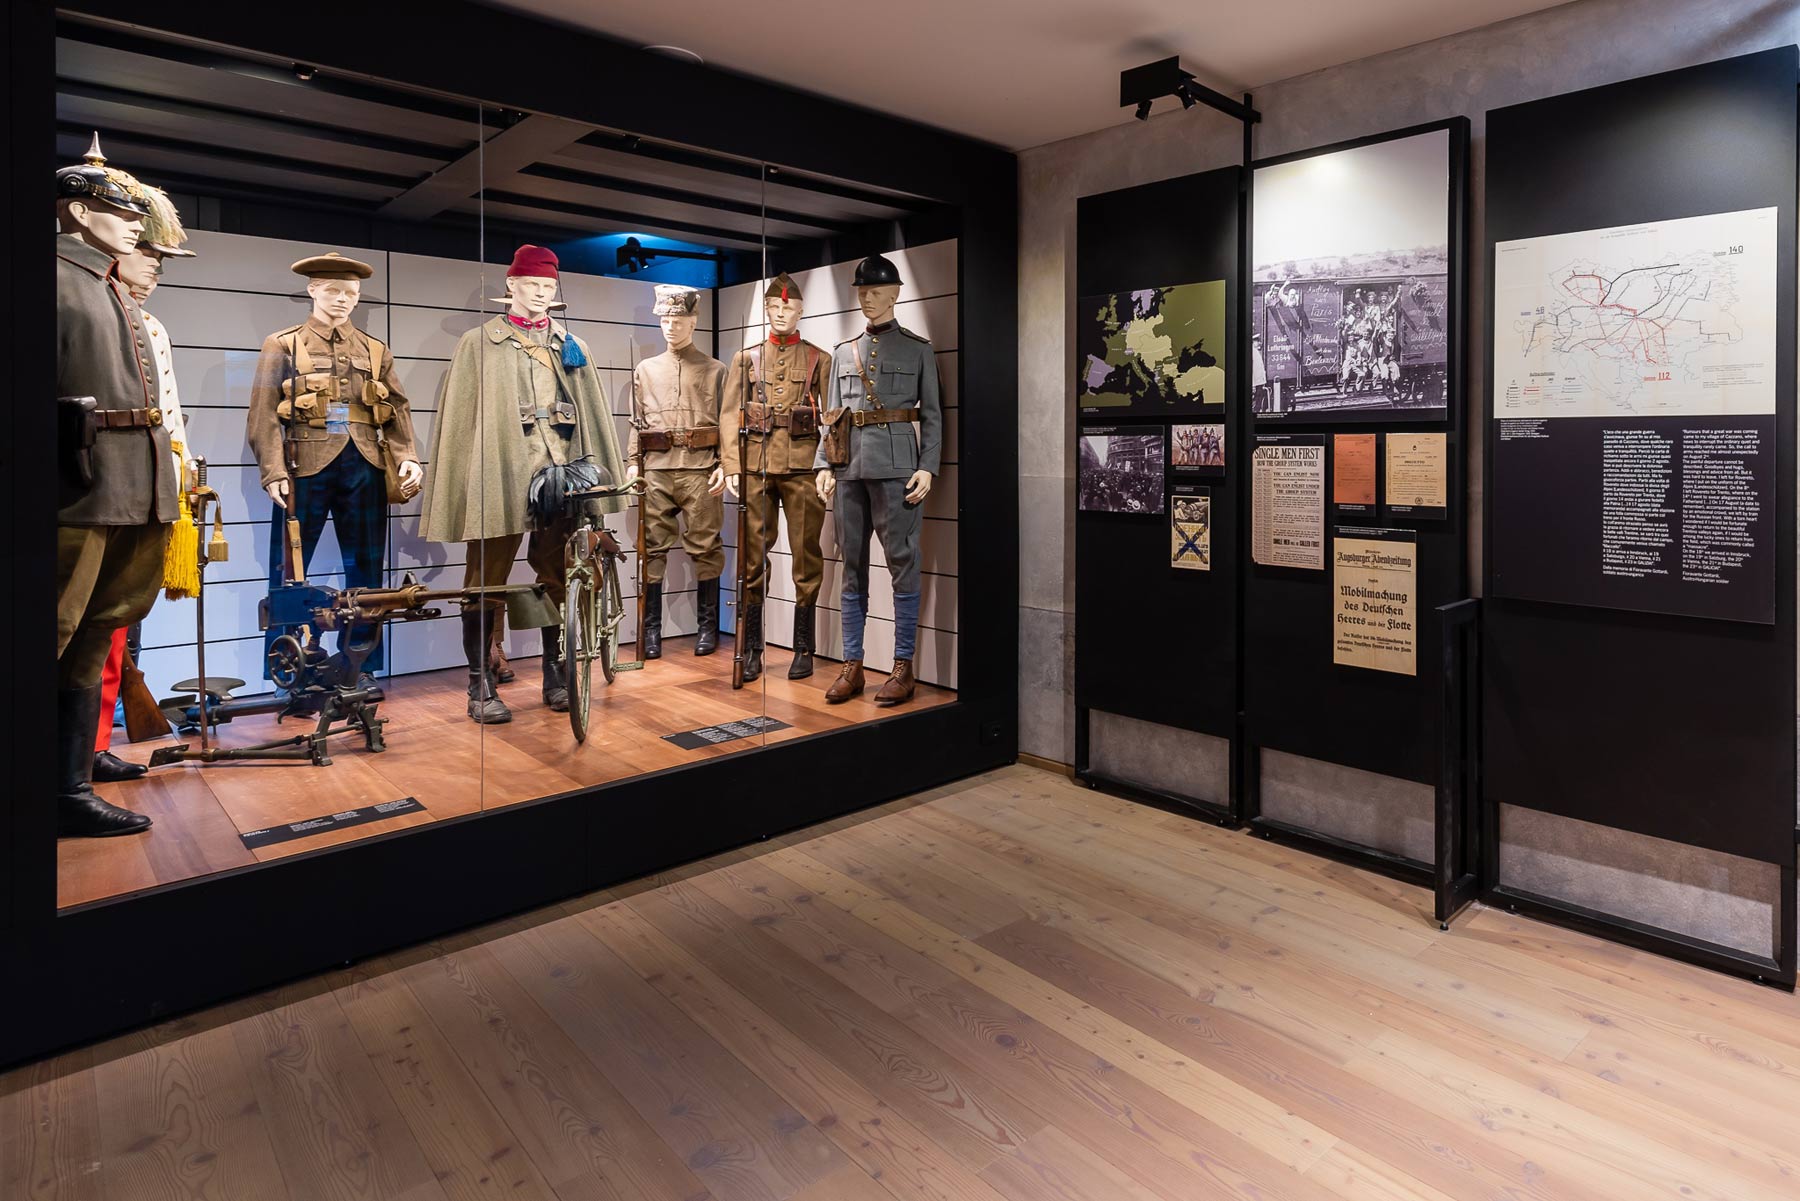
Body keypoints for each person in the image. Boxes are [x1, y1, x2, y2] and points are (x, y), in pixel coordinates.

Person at [421, 244, 625, 723]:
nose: (539, 294)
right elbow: (462, 421)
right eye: (531, 284)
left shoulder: (569, 343)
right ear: (510, 286)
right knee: (486, 579)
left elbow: (588, 413)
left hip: (563, 474)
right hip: (503, 472)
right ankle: (480, 686)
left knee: (556, 577)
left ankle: (555, 674)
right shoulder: (480, 342)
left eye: (548, 287)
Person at [55, 135, 176, 837]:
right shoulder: (51, 278)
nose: (133, 222)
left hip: (131, 483)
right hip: (75, 485)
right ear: (75, 209)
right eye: (114, 208)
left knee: (96, 634)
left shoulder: (109, 286)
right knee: (53, 630)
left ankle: (69, 783)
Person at [246, 252, 421, 683]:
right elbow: (264, 413)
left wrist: (406, 457)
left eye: (351, 293)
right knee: (289, 572)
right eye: (333, 291)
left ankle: (360, 667)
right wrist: (272, 471)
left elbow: (397, 409)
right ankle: (287, 670)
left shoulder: (374, 349)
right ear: (312, 290)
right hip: (303, 465)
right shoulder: (283, 343)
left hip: (363, 464)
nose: (343, 300)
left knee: (367, 570)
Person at [92, 185, 197, 784]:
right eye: (148, 253)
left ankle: (95, 743)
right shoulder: (102, 313)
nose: (154, 264)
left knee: (120, 627)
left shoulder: (147, 322)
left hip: (152, 485)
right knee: (98, 631)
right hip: (108, 486)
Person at [815, 254, 942, 707]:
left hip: (898, 472)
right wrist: (823, 466)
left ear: (895, 294)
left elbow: (931, 416)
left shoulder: (916, 349)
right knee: (851, 566)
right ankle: (853, 664)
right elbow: (831, 417)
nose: (867, 298)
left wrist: (927, 465)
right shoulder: (841, 352)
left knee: (902, 564)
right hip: (849, 470)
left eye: (876, 291)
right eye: (862, 291)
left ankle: (903, 667)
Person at [720, 272, 829, 682]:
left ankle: (803, 647)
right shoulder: (746, 358)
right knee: (752, 559)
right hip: (756, 465)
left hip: (803, 469)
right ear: (767, 310)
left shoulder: (819, 358)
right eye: (775, 307)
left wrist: (826, 466)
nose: (782, 313)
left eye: (789, 307)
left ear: (800, 310)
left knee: (806, 556)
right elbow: (730, 413)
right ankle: (752, 648)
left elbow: (832, 419)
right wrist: (731, 465)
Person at [628, 284, 727, 659]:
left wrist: (726, 464)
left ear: (694, 322)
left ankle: (707, 627)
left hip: (701, 469)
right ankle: (650, 631)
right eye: (666, 320)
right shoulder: (646, 369)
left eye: (679, 319)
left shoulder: (716, 369)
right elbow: (636, 422)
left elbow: (727, 421)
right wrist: (632, 462)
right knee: (651, 548)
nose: (671, 326)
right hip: (656, 469)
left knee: (706, 547)